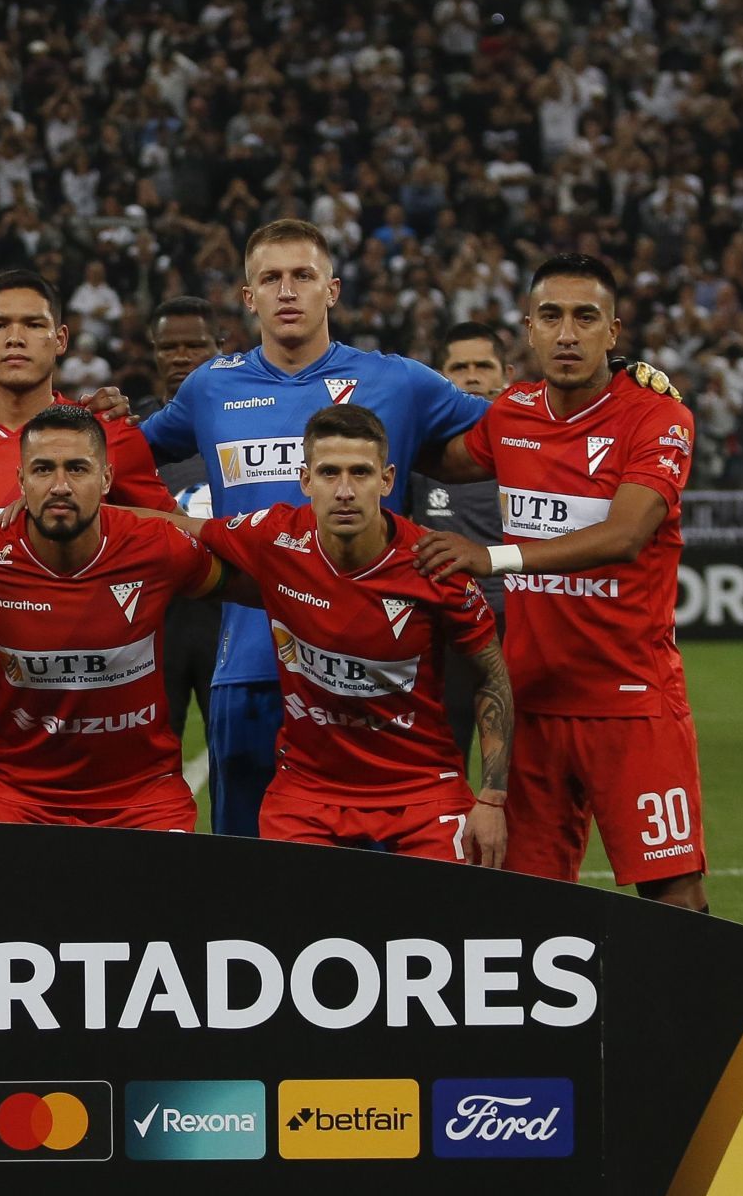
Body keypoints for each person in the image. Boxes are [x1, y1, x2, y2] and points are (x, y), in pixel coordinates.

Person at [139, 219, 489, 839]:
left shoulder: (399, 382)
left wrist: (616, 387)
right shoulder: (211, 387)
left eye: (303, 276)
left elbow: (513, 433)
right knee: (253, 876)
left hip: (372, 670)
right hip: (247, 664)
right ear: (249, 298)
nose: (287, 291)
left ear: (332, 289)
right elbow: (116, 457)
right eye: (271, 279)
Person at [415, 254, 707, 910]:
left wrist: (494, 557)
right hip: (533, 703)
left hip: (630, 702)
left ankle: (699, 1017)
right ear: (529, 329)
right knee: (527, 902)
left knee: (674, 896)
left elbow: (625, 536)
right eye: (551, 316)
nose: (567, 333)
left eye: (585, 317)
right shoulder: (511, 412)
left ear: (614, 331)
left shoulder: (658, 418)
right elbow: (436, 457)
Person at [193, 406, 511, 865]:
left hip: (422, 790)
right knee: (287, 926)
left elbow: (493, 676)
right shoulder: (277, 537)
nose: (345, 491)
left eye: (360, 473)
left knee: (450, 927)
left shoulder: (435, 564)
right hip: (307, 791)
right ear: (306, 481)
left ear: (386, 480)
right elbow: (178, 530)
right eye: (329, 473)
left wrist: (492, 798)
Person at [0, 269, 179, 820]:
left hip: (82, 695)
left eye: (33, 324)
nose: (16, 338)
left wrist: (78, 517)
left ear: (59, 339)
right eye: (1, 325)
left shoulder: (107, 432)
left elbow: (170, 539)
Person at [0, 405, 228, 831]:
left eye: (77, 469)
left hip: (144, 797)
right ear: (22, 481)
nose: (60, 485)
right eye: (43, 470)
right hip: (21, 796)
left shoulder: (157, 548)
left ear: (106, 479)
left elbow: (255, 586)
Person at [410, 322, 512, 767]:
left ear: (505, 373)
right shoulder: (420, 453)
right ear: (441, 376)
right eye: (459, 367)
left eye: (483, 366)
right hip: (443, 627)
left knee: (519, 772)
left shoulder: (530, 449)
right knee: (440, 766)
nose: (472, 377)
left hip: (516, 625)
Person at [136, 297, 226, 747]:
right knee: (150, 753)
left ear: (221, 346)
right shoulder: (131, 431)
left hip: (230, 607)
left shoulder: (242, 422)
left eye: (195, 345)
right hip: (156, 615)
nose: (181, 357)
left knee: (236, 752)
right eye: (169, 347)